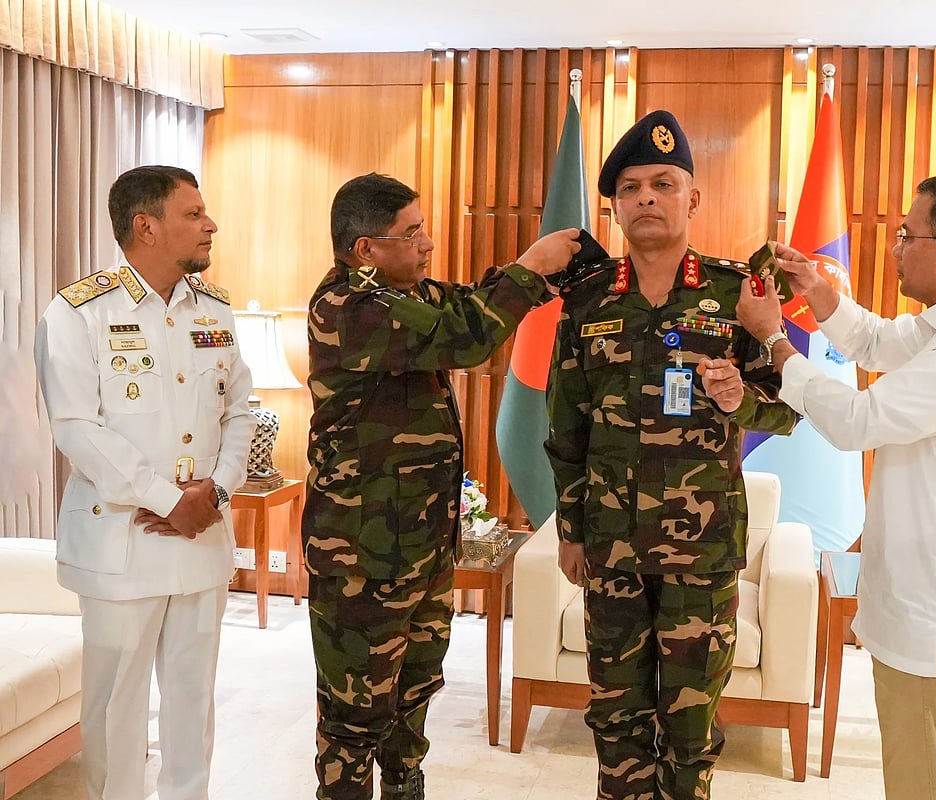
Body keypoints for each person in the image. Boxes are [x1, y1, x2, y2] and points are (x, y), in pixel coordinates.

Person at [731, 173, 936, 799]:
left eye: (907, 235)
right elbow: (877, 342)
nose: (895, 248)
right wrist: (817, 291)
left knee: (928, 786)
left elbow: (855, 422)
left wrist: (771, 339)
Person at [544, 110, 798, 800]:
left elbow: (790, 406)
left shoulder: (735, 293)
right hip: (610, 550)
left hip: (701, 551)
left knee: (690, 737)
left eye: (663, 182)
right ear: (617, 206)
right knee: (617, 727)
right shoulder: (587, 301)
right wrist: (570, 531)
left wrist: (735, 399)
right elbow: (565, 433)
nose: (646, 197)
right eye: (631, 187)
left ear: (693, 198)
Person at [303, 172, 579, 800]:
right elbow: (467, 335)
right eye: (412, 232)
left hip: (423, 539)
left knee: (414, 690)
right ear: (365, 249)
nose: (427, 243)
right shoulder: (349, 307)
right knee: (355, 713)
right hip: (360, 553)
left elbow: (462, 305)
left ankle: (405, 786)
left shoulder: (404, 292)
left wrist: (528, 277)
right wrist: (532, 266)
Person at [35, 165, 256, 800]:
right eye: (194, 214)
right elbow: (77, 427)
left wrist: (214, 493)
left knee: (194, 702)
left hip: (201, 540)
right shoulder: (79, 312)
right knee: (115, 710)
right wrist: (170, 502)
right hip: (120, 542)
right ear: (146, 226)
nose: (210, 224)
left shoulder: (213, 309)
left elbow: (240, 409)